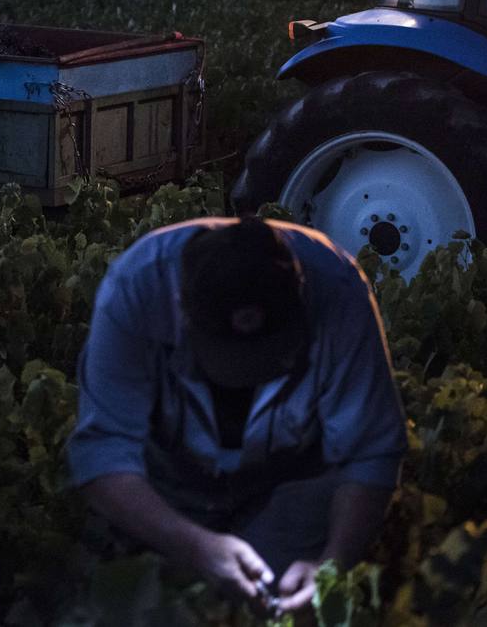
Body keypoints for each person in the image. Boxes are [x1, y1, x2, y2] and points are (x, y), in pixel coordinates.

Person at [67, 217, 407, 614]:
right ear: (183, 316)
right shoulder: (135, 289)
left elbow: (370, 450)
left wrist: (331, 565)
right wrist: (194, 545)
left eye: (270, 360)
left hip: (288, 482)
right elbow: (104, 451)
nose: (249, 380)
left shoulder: (339, 290)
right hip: (167, 479)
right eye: (232, 364)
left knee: (283, 604)